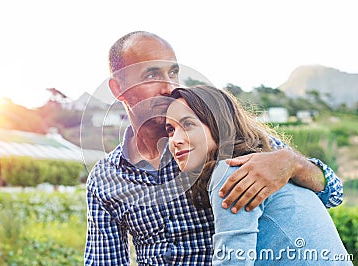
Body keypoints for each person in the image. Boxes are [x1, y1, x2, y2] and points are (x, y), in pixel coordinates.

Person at [84, 31, 343, 265]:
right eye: (151, 75)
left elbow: (333, 193)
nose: (169, 86)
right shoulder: (104, 179)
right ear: (118, 88)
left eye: (173, 72)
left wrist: (293, 164)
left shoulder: (227, 143)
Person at [165, 85, 351, 265]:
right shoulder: (259, 160)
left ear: (219, 124)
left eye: (188, 124)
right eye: (170, 130)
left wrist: (295, 162)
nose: (175, 140)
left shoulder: (233, 171)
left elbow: (233, 261)